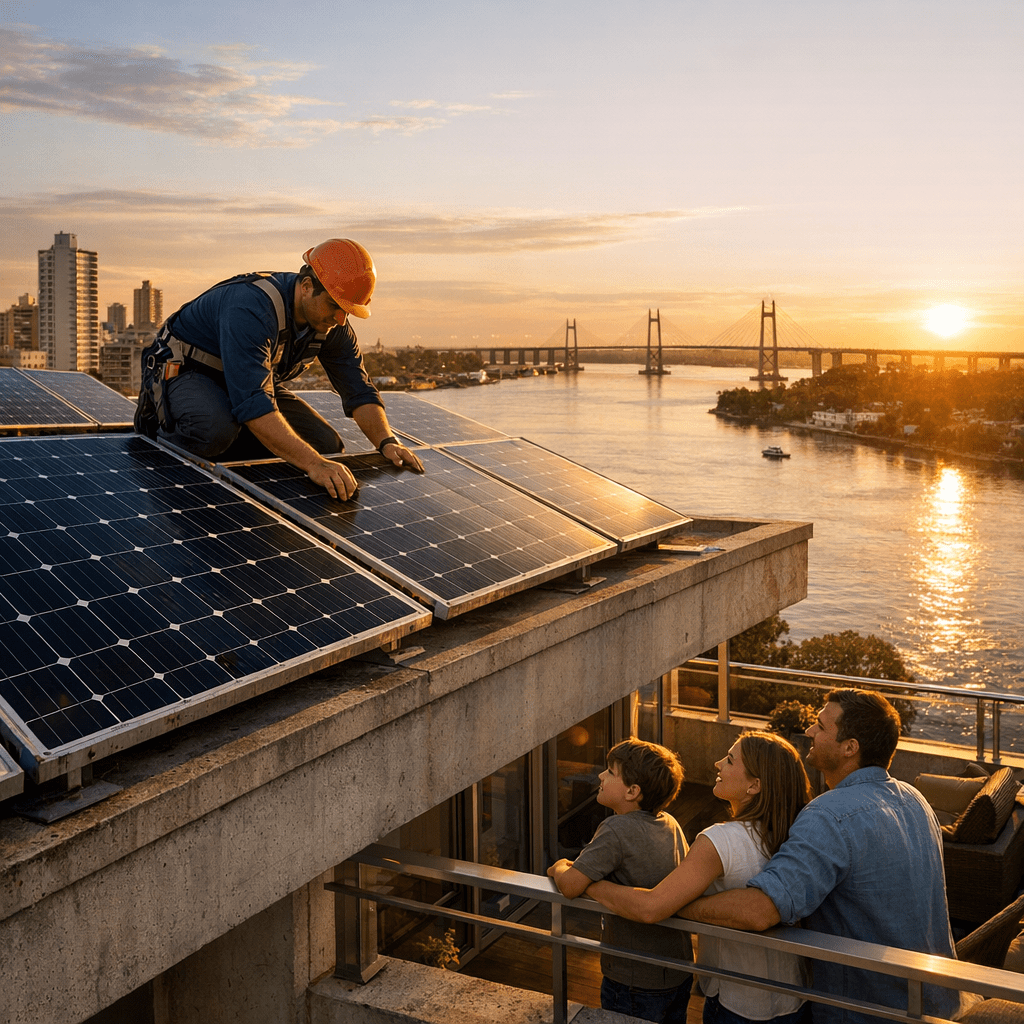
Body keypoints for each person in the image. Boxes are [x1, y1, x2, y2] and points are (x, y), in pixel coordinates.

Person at [680, 690, 964, 1024]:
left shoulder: (829, 814)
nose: (810, 732)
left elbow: (759, 911)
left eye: (820, 726)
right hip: (935, 1002)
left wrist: (678, 905)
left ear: (850, 747)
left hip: (866, 1010)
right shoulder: (915, 799)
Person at [135, 239, 423, 499]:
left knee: (325, 444)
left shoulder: (331, 323)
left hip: (245, 382)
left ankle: (244, 446)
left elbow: (358, 388)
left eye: (347, 310)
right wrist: (311, 464)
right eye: (335, 305)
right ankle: (161, 435)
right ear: (307, 286)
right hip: (189, 372)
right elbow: (253, 402)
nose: (340, 317)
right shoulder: (251, 309)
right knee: (214, 431)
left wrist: (387, 442)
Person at [584, 731, 813, 1024]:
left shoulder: (720, 840)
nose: (718, 763)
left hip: (737, 1000)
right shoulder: (795, 833)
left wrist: (592, 883)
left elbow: (653, 907)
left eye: (729, 760)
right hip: (793, 995)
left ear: (754, 785)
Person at [547, 739, 694, 1023]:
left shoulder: (616, 828)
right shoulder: (670, 823)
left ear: (632, 791)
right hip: (677, 971)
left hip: (633, 979)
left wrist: (559, 867)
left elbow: (570, 885)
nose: (600, 776)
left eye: (610, 772)